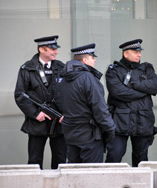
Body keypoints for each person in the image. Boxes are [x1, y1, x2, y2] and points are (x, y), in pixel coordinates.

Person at [54, 43, 115, 163]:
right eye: (92, 57)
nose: (95, 60)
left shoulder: (64, 79)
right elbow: (100, 108)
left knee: (73, 174)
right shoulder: (89, 78)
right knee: (91, 176)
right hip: (90, 137)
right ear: (85, 60)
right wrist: (110, 129)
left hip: (71, 136)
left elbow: (59, 101)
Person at [105, 39, 157, 167]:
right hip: (120, 121)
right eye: (135, 52)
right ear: (125, 53)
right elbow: (118, 92)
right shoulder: (114, 70)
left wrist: (134, 85)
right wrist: (143, 92)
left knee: (141, 159)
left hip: (143, 120)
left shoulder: (147, 68)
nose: (139, 55)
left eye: (140, 52)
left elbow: (154, 86)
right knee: (114, 155)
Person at [14, 35, 66, 169]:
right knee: (34, 161)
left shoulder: (61, 67)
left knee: (60, 160)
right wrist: (35, 113)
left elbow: (69, 93)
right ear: (42, 49)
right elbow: (20, 95)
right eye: (52, 49)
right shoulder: (27, 69)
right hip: (37, 122)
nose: (56, 51)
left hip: (58, 122)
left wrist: (66, 113)